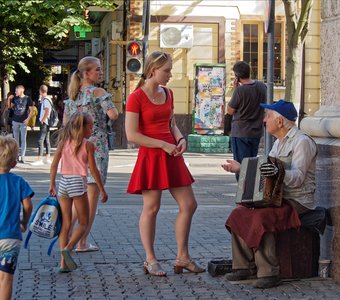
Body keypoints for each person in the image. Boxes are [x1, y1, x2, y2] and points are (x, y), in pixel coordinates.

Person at [223, 100, 324, 288]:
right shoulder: (278, 142)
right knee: (240, 212)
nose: (264, 120)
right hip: (278, 198)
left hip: (298, 200)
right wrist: (241, 168)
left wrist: (280, 173)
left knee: (262, 217)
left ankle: (269, 272)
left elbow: (298, 178)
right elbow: (264, 169)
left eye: (267, 116)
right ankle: (243, 267)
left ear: (279, 122)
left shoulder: (302, 142)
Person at [125, 51, 204, 277]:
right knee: (151, 208)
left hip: (171, 152)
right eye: (167, 70)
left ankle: (182, 257)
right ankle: (150, 259)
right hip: (152, 154)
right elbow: (132, 134)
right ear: (152, 70)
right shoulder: (136, 97)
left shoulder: (168, 93)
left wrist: (180, 138)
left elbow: (171, 124)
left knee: (189, 204)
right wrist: (162, 145)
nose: (170, 75)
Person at [64, 56, 118, 252]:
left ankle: (66, 231)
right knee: (91, 197)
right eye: (97, 69)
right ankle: (82, 241)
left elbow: (64, 125)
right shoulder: (98, 92)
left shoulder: (72, 96)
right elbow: (113, 114)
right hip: (96, 148)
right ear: (86, 73)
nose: (100, 72)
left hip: (76, 148)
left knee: (78, 194)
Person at [49, 111, 108, 272]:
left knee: (66, 223)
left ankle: (63, 264)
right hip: (77, 182)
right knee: (83, 222)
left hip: (63, 183)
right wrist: (102, 189)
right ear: (81, 128)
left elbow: (54, 165)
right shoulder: (87, 145)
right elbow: (94, 169)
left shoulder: (63, 142)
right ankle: (68, 248)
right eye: (90, 126)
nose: (92, 129)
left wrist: (52, 184)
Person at [0, 136, 33, 299]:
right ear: (14, 163)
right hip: (10, 237)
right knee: (6, 278)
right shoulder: (19, 182)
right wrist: (24, 222)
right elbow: (28, 206)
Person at [227, 61, 267, 179]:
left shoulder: (240, 91)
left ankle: (243, 192)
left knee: (240, 166)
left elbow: (230, 110)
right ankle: (250, 191)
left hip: (240, 132)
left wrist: (235, 89)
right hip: (256, 131)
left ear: (237, 76)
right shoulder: (262, 86)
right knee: (251, 164)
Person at [8, 85, 34, 163]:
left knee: (23, 139)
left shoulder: (27, 98)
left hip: (23, 121)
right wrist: (9, 99)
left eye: (16, 91)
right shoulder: (15, 98)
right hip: (15, 120)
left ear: (21, 90)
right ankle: (16, 155)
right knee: (15, 140)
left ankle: (22, 156)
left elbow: (31, 110)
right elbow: (10, 108)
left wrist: (27, 120)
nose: (15, 92)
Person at [31, 85, 52, 166]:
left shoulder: (46, 100)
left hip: (44, 122)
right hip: (47, 122)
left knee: (40, 140)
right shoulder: (47, 99)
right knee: (46, 140)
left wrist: (42, 120)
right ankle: (47, 158)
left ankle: (39, 159)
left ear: (40, 91)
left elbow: (46, 111)